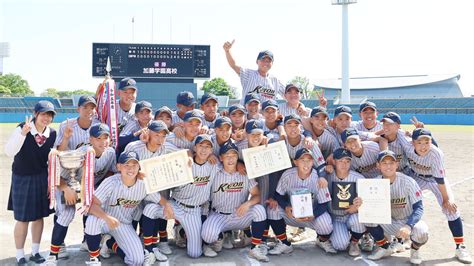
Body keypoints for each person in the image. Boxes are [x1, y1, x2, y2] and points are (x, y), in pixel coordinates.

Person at [83, 151, 171, 265]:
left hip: (123, 224)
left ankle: (109, 243)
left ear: (139, 167)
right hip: (104, 221)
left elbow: (159, 199)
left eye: (134, 165)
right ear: (119, 167)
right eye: (126, 165)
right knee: (92, 221)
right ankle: (94, 258)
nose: (131, 169)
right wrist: (106, 217)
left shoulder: (143, 184)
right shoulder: (111, 182)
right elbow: (91, 206)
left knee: (137, 261)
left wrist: (167, 205)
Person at [45, 123, 117, 264]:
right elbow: (57, 174)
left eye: (105, 138)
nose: (103, 142)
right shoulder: (80, 154)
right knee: (66, 215)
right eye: (98, 138)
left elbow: (111, 171)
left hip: (90, 190)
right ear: (90, 139)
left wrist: (102, 192)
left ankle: (92, 251)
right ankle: (53, 255)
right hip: (68, 186)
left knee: (94, 216)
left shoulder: (110, 152)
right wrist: (66, 189)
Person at [401, 128, 472, 264]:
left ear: (431, 142)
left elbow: (440, 180)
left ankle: (460, 246)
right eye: (419, 142)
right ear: (413, 143)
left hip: (435, 180)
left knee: (451, 209)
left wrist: (446, 200)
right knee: (403, 203)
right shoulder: (408, 146)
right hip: (416, 177)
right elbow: (397, 132)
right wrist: (408, 132)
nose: (423, 146)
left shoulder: (436, 153)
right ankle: (403, 238)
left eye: (427, 142)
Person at [142, 134, 216, 259]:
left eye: (207, 147)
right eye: (201, 146)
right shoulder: (182, 163)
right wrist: (166, 204)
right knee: (149, 209)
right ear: (194, 147)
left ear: (212, 150)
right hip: (176, 205)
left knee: (195, 253)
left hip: (194, 211)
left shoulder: (214, 165)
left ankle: (182, 231)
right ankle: (149, 249)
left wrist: (240, 166)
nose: (204, 150)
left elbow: (232, 165)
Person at [4, 100, 57, 265]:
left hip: (41, 178)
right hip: (22, 177)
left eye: (49, 115)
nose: (46, 118)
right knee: (23, 218)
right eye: (43, 114)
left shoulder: (52, 133)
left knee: (39, 216)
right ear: (35, 114)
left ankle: (35, 252)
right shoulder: (22, 128)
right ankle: (20, 255)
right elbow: (9, 151)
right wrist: (23, 134)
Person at [201, 142, 269, 262]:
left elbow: (256, 195)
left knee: (260, 210)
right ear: (221, 158)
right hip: (219, 215)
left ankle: (255, 247)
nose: (231, 158)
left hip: (239, 215)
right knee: (207, 235)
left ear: (238, 158)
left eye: (234, 155)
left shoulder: (244, 174)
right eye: (227, 155)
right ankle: (221, 236)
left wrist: (247, 204)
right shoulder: (214, 172)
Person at [365, 150, 429, 265]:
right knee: (367, 216)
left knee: (422, 231)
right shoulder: (374, 183)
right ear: (378, 166)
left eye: (391, 162)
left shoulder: (409, 182)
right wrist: (361, 202)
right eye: (384, 163)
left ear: (397, 164)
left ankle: (415, 249)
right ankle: (384, 247)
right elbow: (368, 207)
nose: (388, 166)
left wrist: (408, 226)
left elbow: (419, 208)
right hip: (387, 222)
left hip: (406, 221)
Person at [270, 148, 335, 255]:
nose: (306, 163)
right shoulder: (288, 174)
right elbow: (278, 195)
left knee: (326, 225)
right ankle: (284, 243)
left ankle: (322, 240)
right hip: (292, 214)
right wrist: (286, 206)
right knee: (272, 210)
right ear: (295, 162)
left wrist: (314, 215)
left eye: (309, 160)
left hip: (311, 216)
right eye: (302, 160)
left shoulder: (318, 178)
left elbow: (324, 203)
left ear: (313, 162)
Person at [327, 148, 365, 256]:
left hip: (351, 215)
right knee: (340, 245)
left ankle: (354, 242)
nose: (344, 164)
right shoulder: (327, 175)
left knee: (359, 220)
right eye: (340, 161)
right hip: (335, 217)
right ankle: (325, 236)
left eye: (347, 161)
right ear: (334, 161)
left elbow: (368, 200)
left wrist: (358, 207)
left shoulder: (358, 177)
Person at [223, 40, 285, 105]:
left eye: (269, 61)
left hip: (266, 114)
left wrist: (297, 105)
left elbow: (289, 96)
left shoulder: (275, 81)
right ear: (257, 61)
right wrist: (227, 51)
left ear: (272, 63)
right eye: (263, 60)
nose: (266, 63)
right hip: (247, 113)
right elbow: (233, 65)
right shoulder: (249, 74)